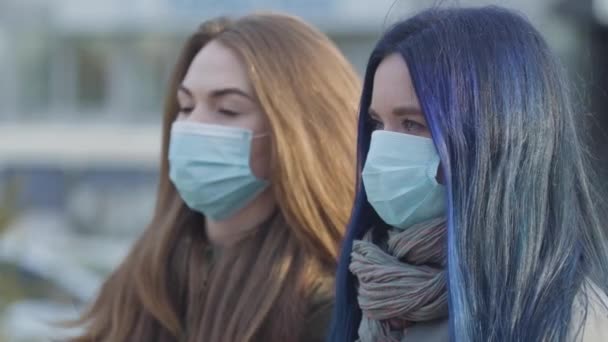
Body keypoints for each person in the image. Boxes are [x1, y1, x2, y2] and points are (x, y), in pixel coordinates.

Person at [70, 13, 360, 342]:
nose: (194, 124)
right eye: (185, 105)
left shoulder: (329, 308)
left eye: (227, 110)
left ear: (299, 135)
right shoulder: (145, 278)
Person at [330, 6, 608, 342]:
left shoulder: (572, 324)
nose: (382, 148)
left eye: (413, 124)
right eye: (377, 123)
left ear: (497, 139)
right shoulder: (370, 292)